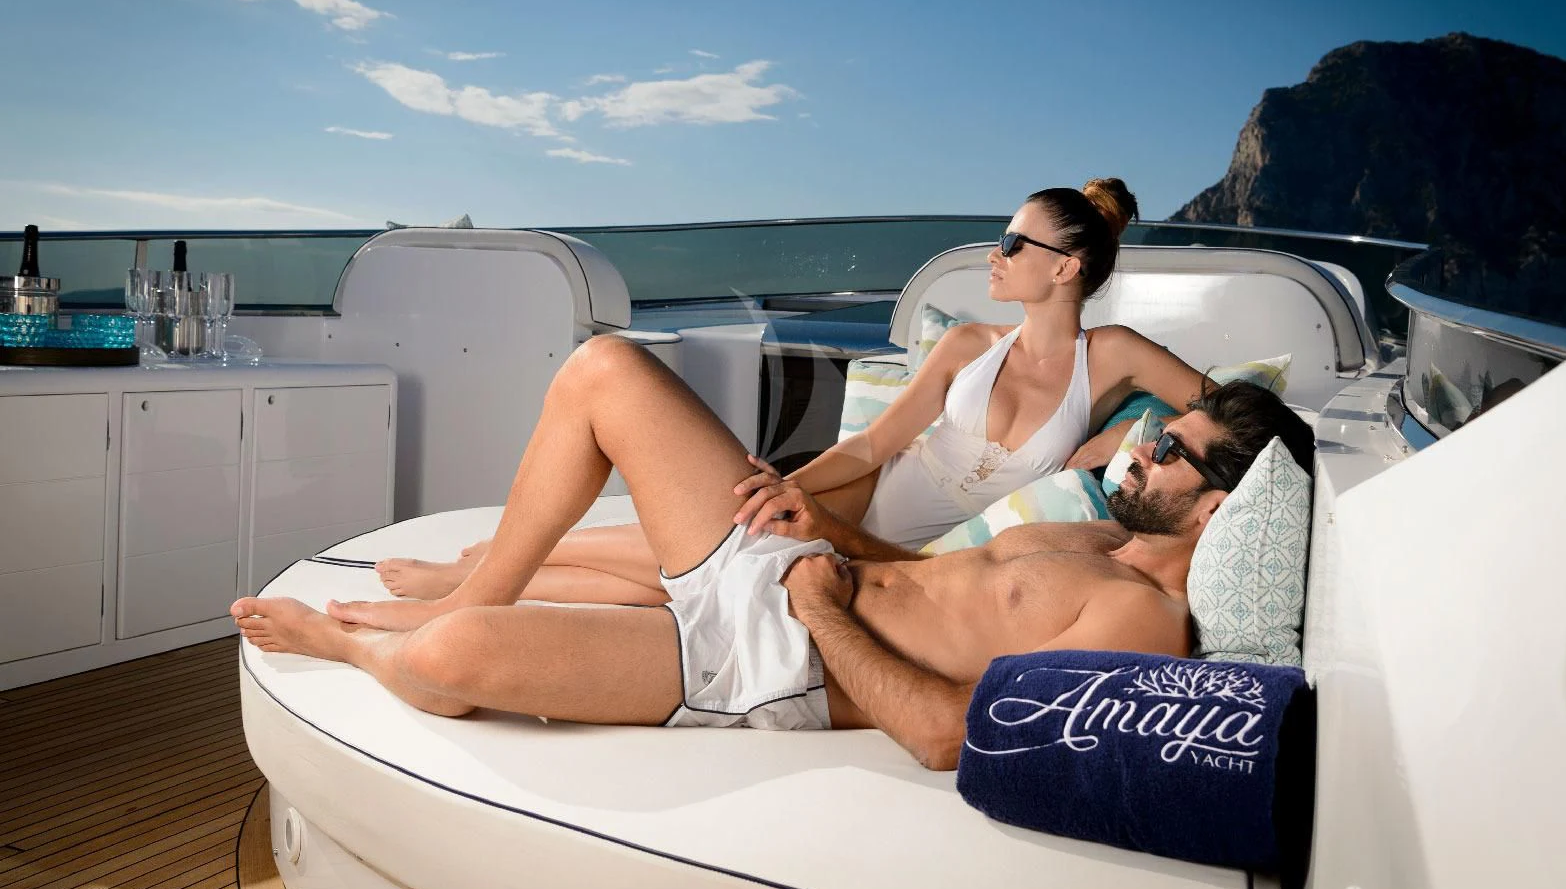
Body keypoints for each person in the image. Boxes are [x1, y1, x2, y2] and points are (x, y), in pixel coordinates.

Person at [232, 334, 1314, 771]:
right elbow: (923, 578)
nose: (1143, 443)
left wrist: (820, 609)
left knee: (457, 659)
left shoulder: (1143, 625)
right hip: (805, 576)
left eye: (1172, 450)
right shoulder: (1083, 529)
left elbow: (945, 734)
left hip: (785, 659)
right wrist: (814, 527)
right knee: (605, 367)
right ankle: (466, 587)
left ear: (1217, 514)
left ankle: (373, 649)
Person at [376, 179, 1211, 606]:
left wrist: (1125, 443)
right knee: (710, 539)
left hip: (883, 552)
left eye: (1010, 241)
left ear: (1064, 267)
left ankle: (483, 570)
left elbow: (1235, 408)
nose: (991, 254)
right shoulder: (966, 343)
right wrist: (782, 486)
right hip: (854, 492)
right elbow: (874, 445)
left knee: (665, 567)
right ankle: (477, 572)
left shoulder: (1116, 358)